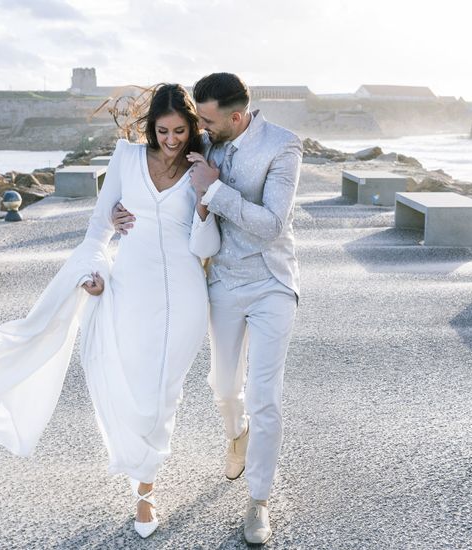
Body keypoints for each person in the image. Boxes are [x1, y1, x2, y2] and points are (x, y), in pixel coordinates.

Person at [0, 83, 220, 539]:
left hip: (185, 293)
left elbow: (206, 244)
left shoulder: (203, 168)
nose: (171, 140)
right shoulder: (128, 159)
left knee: (162, 395)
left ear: (192, 128)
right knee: (131, 385)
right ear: (150, 128)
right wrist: (94, 272)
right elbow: (98, 230)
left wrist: (202, 196)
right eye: (163, 131)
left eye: (180, 131)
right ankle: (140, 472)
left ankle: (145, 492)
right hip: (130, 287)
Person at [113, 72, 302, 544]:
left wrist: (216, 190)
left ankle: (258, 500)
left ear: (237, 117)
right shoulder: (206, 144)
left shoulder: (283, 147)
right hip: (220, 282)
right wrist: (121, 212)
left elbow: (272, 224)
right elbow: (162, 186)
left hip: (271, 282)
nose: (201, 127)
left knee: (265, 396)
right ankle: (235, 434)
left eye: (209, 120)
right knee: (223, 385)